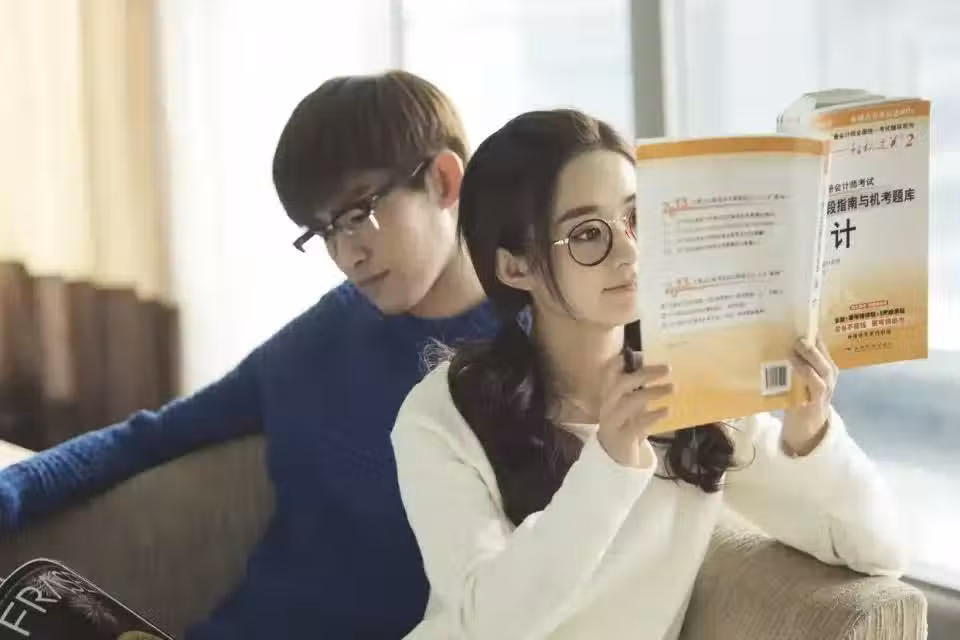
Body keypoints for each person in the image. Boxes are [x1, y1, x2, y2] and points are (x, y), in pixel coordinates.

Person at [0, 71, 496, 639]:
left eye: (359, 215)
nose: (346, 255)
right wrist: (10, 490)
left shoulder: (543, 353)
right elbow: (151, 437)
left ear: (443, 180)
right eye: (324, 231)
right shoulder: (329, 333)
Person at [391, 109, 907, 640]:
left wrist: (810, 434)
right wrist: (610, 462)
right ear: (516, 267)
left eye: (637, 218)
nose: (630, 251)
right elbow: (488, 626)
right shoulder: (441, 415)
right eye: (588, 234)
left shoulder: (692, 388)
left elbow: (878, 551)